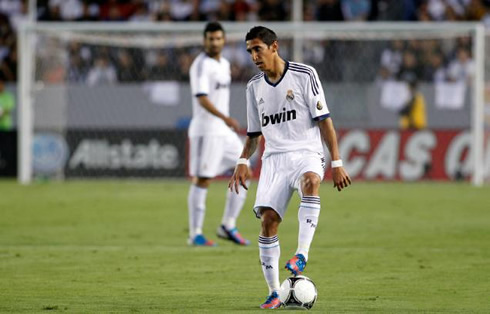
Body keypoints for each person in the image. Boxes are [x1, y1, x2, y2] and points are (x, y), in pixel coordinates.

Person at [229, 26, 351, 309]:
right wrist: (242, 160)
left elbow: (325, 121)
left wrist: (337, 162)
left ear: (274, 47)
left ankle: (301, 253)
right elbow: (253, 135)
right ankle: (274, 292)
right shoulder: (253, 87)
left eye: (257, 48)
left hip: (307, 151)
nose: (253, 56)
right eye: (249, 51)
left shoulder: (304, 74)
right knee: (268, 221)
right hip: (274, 160)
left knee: (311, 181)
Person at [187, 22, 251, 247]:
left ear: (224, 40)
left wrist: (224, 121)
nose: (214, 42)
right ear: (204, 40)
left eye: (218, 38)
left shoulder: (224, 63)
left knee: (245, 170)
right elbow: (202, 98)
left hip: (222, 131)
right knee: (203, 179)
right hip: (206, 130)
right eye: (210, 39)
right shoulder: (201, 65)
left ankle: (228, 224)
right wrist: (225, 118)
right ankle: (195, 233)